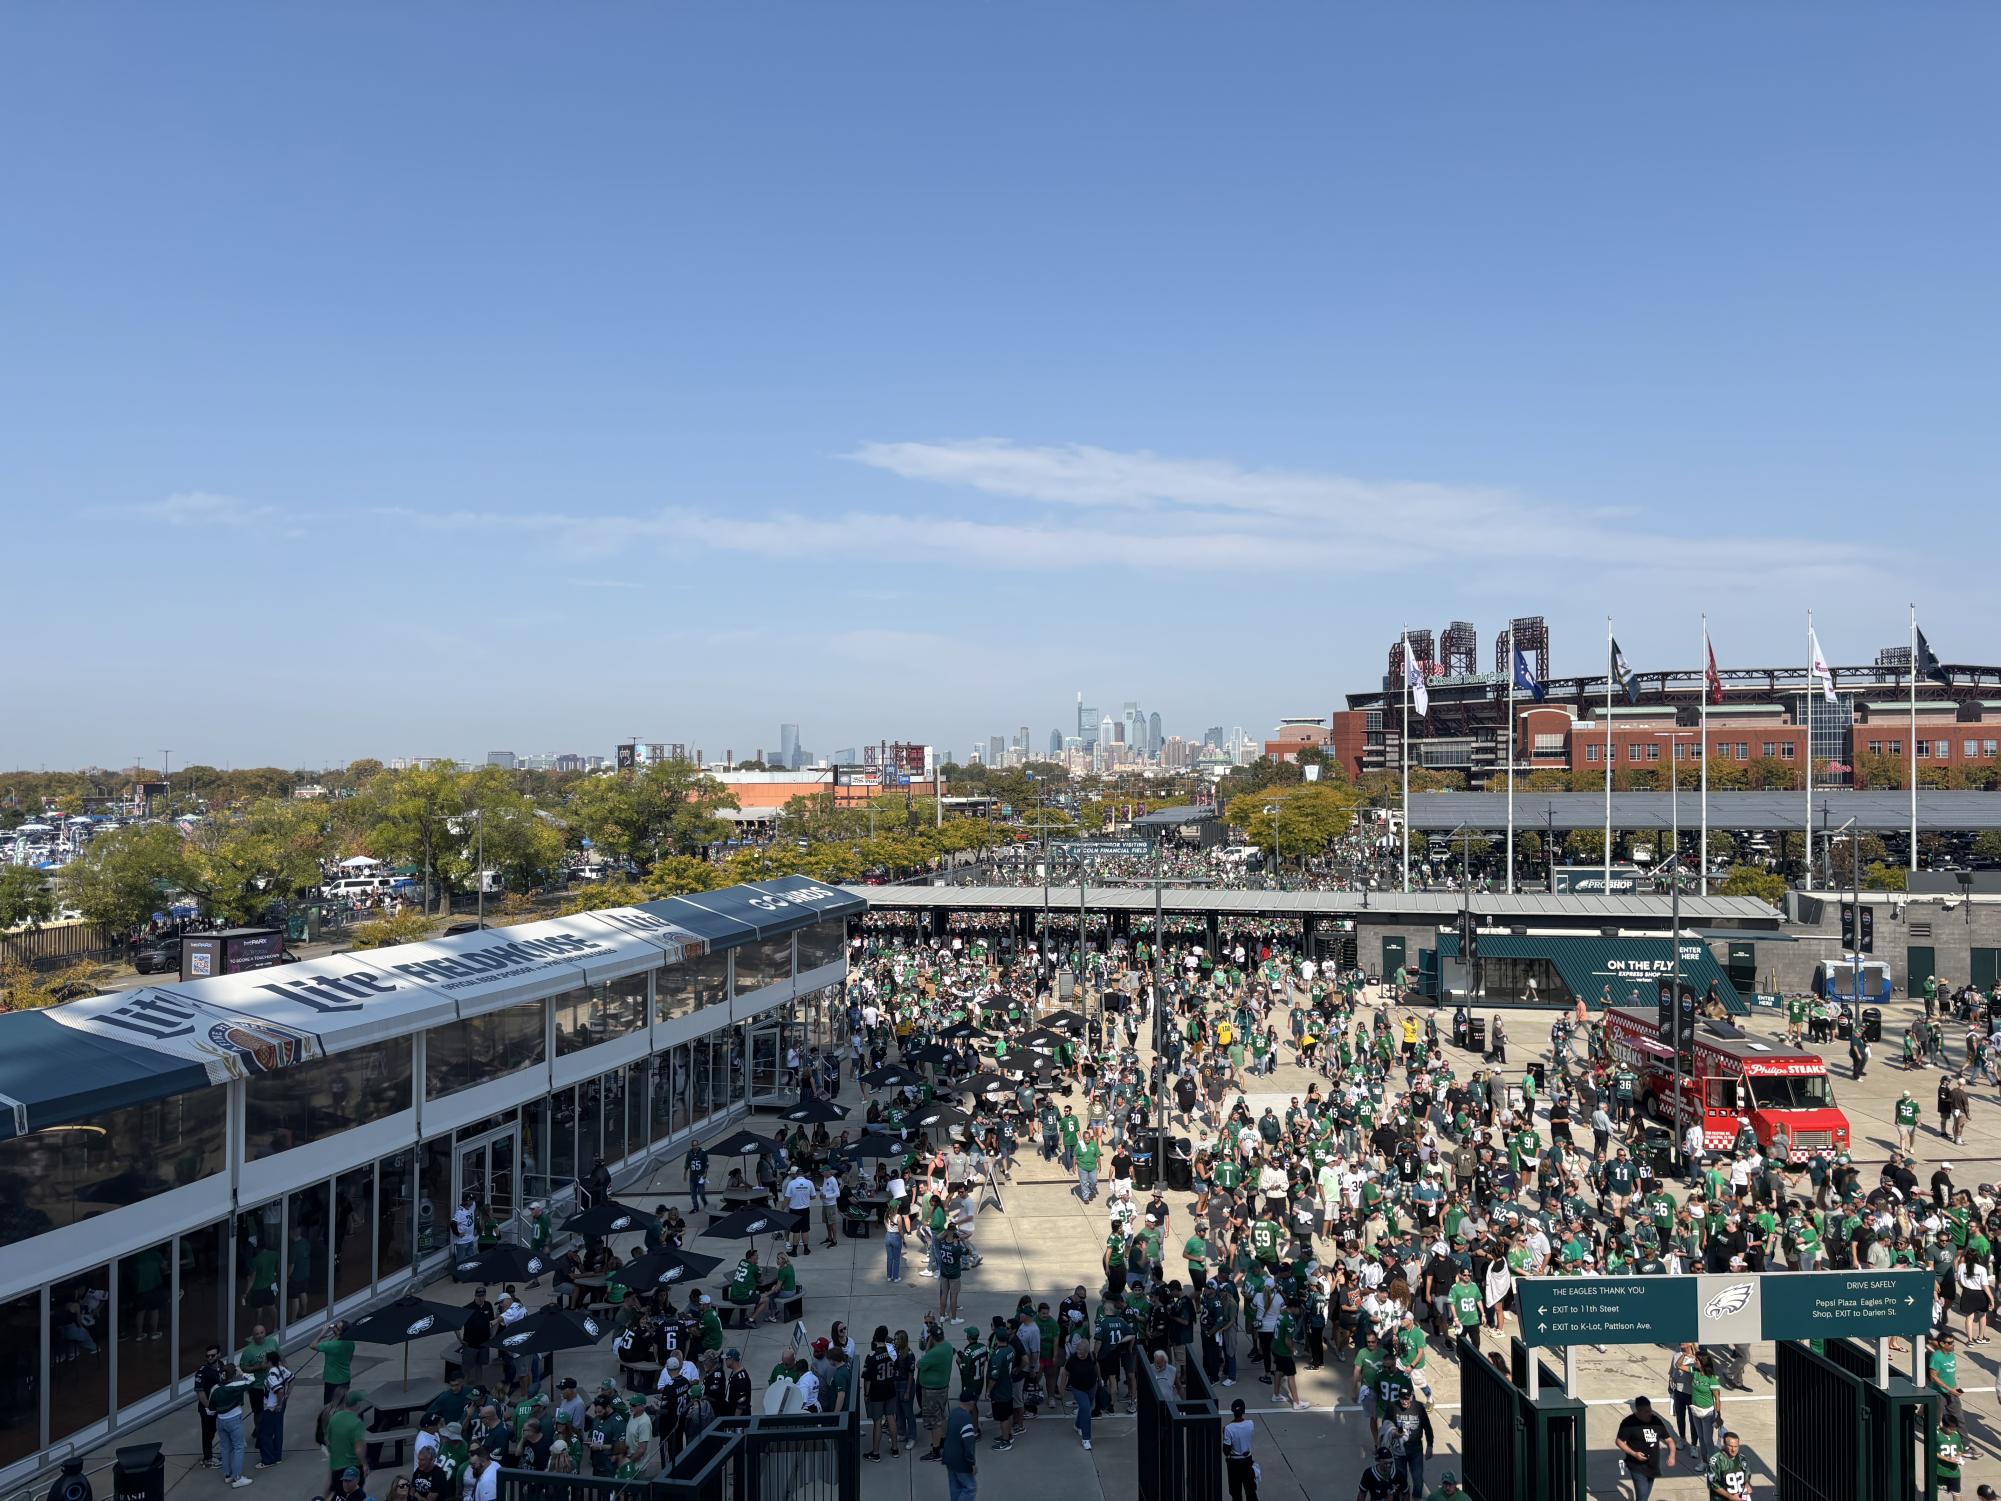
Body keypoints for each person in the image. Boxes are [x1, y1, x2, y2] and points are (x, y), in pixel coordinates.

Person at [1615, 1396, 1675, 1501]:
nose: (1650, 1413)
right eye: (1646, 1411)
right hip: (1636, 1466)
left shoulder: (1656, 1421)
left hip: (1653, 1466)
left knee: (1645, 1496)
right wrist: (1634, 1454)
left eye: (1650, 1410)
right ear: (1638, 1411)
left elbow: (1669, 1440)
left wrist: (1672, 1456)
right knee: (1642, 1496)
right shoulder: (1628, 1423)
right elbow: (1619, 1441)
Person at [207, 1362, 257, 1489]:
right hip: (234, 1420)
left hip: (220, 1421)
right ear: (233, 1374)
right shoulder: (237, 1384)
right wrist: (242, 1373)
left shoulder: (215, 1388)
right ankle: (238, 1477)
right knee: (239, 1447)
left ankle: (228, 1475)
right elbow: (252, 1379)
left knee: (225, 1447)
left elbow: (210, 1410)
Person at [941, 1389, 979, 1501]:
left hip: (949, 1458)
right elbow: (968, 1445)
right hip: (961, 1461)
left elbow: (946, 1433)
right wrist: (971, 1463)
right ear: (971, 1403)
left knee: (955, 1487)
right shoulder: (967, 1420)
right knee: (970, 1488)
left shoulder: (954, 1413)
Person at [1223, 1398, 1258, 1501]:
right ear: (1243, 1411)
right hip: (1247, 1461)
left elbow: (1226, 1451)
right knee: (1251, 1491)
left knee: (1236, 1493)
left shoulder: (1228, 1428)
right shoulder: (1250, 1424)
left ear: (1232, 1411)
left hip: (1234, 1463)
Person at [1707, 1431, 1752, 1501]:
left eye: (1736, 1446)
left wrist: (1747, 1484)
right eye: (1730, 1446)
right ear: (1724, 1445)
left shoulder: (1742, 1458)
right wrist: (1729, 1496)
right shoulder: (1716, 1461)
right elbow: (1712, 1483)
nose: (1733, 1449)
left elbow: (1747, 1475)